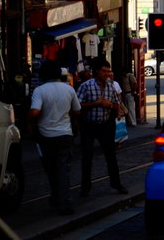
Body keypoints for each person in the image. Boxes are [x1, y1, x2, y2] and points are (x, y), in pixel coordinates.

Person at [29, 61, 80, 215]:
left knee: (51, 169)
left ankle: (58, 197)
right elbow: (77, 111)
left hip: (47, 135)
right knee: (63, 169)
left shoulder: (40, 90)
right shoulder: (69, 89)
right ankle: (64, 201)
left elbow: (34, 112)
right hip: (65, 134)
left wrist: (29, 124)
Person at [76, 60, 128, 195]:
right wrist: (95, 103)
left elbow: (117, 104)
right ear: (97, 72)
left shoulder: (111, 86)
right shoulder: (86, 86)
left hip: (106, 125)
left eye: (108, 71)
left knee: (111, 156)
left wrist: (108, 104)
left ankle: (116, 184)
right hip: (89, 125)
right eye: (104, 71)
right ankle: (85, 188)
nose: (107, 74)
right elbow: (77, 106)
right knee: (87, 157)